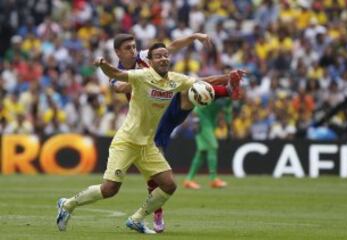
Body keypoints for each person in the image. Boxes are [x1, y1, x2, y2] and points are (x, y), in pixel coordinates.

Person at [56, 43, 232, 234]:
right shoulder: (142, 76)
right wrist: (103, 64)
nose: (164, 58)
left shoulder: (175, 79)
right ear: (150, 61)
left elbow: (201, 81)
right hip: (127, 141)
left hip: (147, 145)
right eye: (158, 56)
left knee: (168, 185)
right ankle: (67, 204)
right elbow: (117, 74)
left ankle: (136, 219)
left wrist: (226, 78)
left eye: (166, 55)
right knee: (109, 189)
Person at [107, 33, 245, 232]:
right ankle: (157, 212)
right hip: (149, 120)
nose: (133, 51)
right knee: (156, 174)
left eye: (133, 46)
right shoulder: (117, 72)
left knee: (190, 90)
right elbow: (120, 87)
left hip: (167, 104)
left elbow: (171, 48)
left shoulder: (145, 56)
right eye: (128, 48)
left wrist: (195, 36)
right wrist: (146, 80)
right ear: (118, 53)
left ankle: (227, 91)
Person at [183, 99, 232, 189]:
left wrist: (229, 129)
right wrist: (195, 121)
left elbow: (228, 112)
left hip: (211, 122)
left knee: (202, 152)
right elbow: (198, 104)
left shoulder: (229, 97)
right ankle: (213, 179)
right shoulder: (217, 90)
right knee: (213, 146)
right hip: (201, 120)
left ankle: (188, 180)